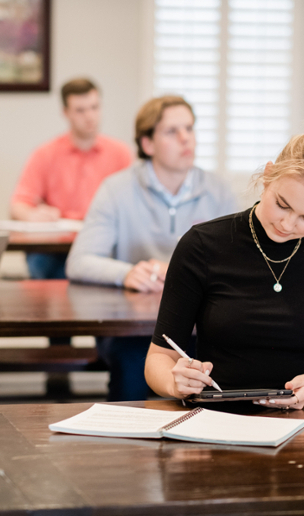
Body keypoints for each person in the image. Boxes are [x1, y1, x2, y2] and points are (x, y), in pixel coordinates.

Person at [144, 121, 304, 409]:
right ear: (269, 176)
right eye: (282, 204)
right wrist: (175, 382)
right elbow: (159, 358)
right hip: (215, 418)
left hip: (302, 426)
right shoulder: (202, 245)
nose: (288, 224)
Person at [66, 95, 238, 401]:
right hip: (134, 327)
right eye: (172, 131)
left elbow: (240, 262)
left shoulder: (218, 190)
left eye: (190, 128)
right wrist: (127, 272)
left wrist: (174, 271)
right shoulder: (116, 189)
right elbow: (79, 261)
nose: (186, 138)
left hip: (202, 327)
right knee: (132, 370)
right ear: (147, 144)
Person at [10, 78, 132, 279]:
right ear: (65, 113)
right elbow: (18, 205)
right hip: (56, 248)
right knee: (42, 264)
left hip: (101, 241)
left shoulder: (121, 154)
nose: (90, 116)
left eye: (94, 107)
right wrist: (32, 215)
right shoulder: (45, 154)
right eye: (80, 110)